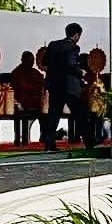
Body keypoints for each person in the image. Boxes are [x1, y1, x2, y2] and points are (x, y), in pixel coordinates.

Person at [42, 22, 83, 153]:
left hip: (54, 85)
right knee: (80, 113)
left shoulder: (53, 45)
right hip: (68, 87)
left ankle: (49, 144)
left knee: (53, 115)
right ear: (76, 35)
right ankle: (90, 141)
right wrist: (80, 72)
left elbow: (44, 62)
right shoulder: (73, 48)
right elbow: (71, 65)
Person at [10, 51, 45, 144]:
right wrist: (33, 88)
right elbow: (21, 86)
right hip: (21, 102)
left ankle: (44, 135)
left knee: (46, 109)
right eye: (28, 60)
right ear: (22, 60)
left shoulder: (35, 72)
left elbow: (42, 85)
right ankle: (19, 138)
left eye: (32, 60)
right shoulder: (17, 72)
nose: (30, 62)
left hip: (36, 101)